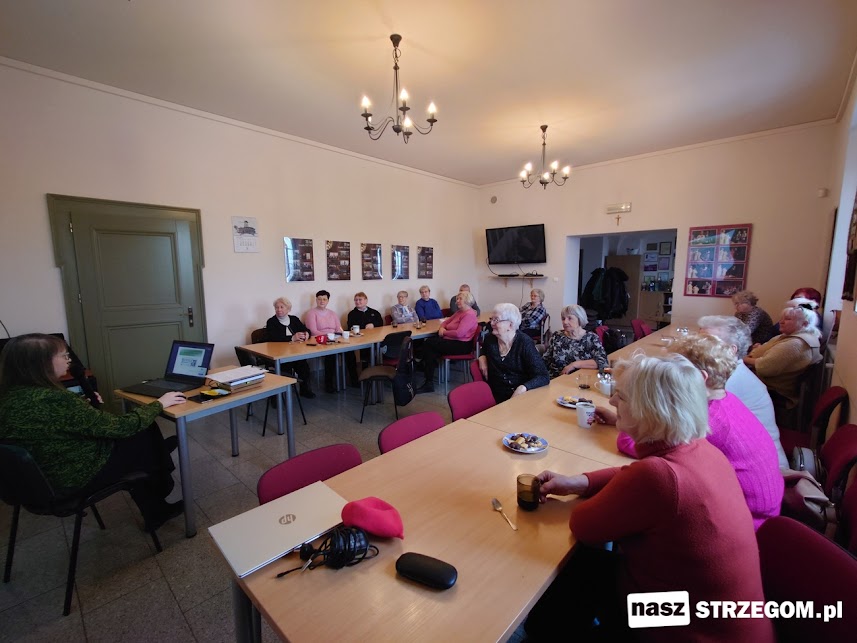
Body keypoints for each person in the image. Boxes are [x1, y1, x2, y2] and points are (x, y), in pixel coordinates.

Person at [526, 354, 773, 641]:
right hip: (714, 613)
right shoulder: (701, 449)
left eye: (621, 396)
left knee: (558, 601)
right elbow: (633, 474)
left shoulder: (660, 478)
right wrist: (581, 482)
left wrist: (592, 491)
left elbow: (584, 525)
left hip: (689, 629)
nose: (613, 402)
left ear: (648, 410)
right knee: (586, 573)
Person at [0, 334, 186, 532]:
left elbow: (53, 425)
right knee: (143, 432)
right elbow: (120, 427)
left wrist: (81, 407)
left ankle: (157, 461)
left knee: (143, 442)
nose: (68, 361)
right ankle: (159, 480)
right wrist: (159, 403)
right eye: (63, 356)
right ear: (41, 363)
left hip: (34, 483)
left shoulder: (10, 397)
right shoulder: (53, 399)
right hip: (71, 478)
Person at [615, 335, 784, 529]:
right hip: (758, 510)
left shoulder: (707, 420)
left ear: (701, 378)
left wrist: (632, 413)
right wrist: (624, 416)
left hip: (746, 522)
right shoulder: (725, 400)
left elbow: (633, 443)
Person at [698, 315, 788, 468]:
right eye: (697, 340)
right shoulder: (727, 371)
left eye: (708, 342)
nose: (696, 346)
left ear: (732, 350)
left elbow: (690, 422)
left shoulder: (728, 380)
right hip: (744, 458)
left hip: (762, 467)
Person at [745, 305, 822, 415]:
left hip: (772, 389)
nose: (781, 322)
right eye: (782, 318)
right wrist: (758, 349)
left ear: (804, 324)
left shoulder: (795, 344)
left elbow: (764, 367)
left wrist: (742, 359)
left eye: (788, 319)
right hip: (764, 381)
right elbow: (772, 353)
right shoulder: (792, 336)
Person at [478, 303, 549, 402]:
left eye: (496, 320)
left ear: (510, 325)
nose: (491, 323)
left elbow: (543, 376)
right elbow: (483, 349)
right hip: (494, 397)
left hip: (520, 398)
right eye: (491, 319)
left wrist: (523, 387)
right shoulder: (490, 339)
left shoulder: (524, 343)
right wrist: (481, 357)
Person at [416, 291, 479, 393]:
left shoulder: (469, 315)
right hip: (452, 340)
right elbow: (445, 322)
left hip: (462, 345)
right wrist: (442, 328)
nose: (457, 301)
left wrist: (444, 332)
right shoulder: (459, 312)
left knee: (429, 344)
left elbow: (459, 333)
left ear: (467, 301)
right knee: (430, 346)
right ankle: (428, 378)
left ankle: (425, 373)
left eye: (460, 299)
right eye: (457, 299)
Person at [264, 296, 315, 398]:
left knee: (304, 367)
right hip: (280, 355)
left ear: (288, 309)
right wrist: (292, 338)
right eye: (277, 307)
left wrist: (307, 334)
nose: (279, 310)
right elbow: (273, 338)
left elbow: (306, 330)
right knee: (285, 371)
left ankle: (304, 390)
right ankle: (281, 396)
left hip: (295, 353)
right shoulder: (271, 322)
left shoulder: (294, 319)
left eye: (282, 307)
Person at [541, 304, 607, 378]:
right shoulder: (557, 336)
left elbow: (602, 362)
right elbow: (545, 359)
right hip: (556, 378)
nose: (565, 322)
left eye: (570, 318)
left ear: (579, 319)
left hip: (581, 379)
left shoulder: (591, 338)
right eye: (563, 319)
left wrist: (574, 364)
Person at [304, 290, 342, 394]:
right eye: (319, 299)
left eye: (324, 299)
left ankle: (352, 381)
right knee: (331, 355)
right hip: (319, 341)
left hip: (334, 339)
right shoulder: (311, 313)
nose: (322, 301)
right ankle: (329, 384)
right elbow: (313, 331)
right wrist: (328, 336)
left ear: (328, 301)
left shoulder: (332, 313)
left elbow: (339, 328)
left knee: (349, 352)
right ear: (316, 300)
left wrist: (337, 335)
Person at [345, 292, 384, 386]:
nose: (357, 302)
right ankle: (357, 378)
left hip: (374, 339)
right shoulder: (352, 314)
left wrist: (373, 325)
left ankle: (373, 374)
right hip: (359, 340)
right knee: (351, 354)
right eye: (356, 300)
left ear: (366, 300)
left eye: (360, 299)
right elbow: (350, 327)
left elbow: (380, 323)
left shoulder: (374, 312)